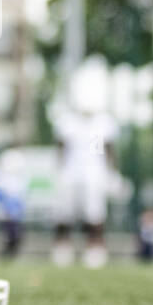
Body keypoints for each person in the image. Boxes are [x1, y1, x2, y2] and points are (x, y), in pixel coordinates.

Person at [51, 97, 117, 269]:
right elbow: (61, 149)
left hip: (94, 173)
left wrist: (111, 173)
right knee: (64, 212)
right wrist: (58, 171)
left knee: (94, 212)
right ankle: (63, 247)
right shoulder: (67, 121)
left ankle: (95, 247)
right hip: (70, 172)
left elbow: (107, 150)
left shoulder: (102, 123)